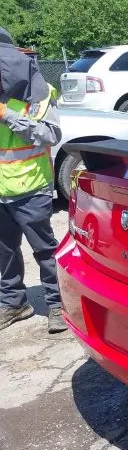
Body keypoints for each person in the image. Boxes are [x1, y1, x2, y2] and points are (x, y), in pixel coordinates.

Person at [0, 26, 66, 333]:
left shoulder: (38, 94)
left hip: (31, 186)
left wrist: (7, 115)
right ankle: (14, 303)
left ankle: (57, 303)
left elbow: (50, 135)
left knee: (45, 249)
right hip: (1, 190)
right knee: (4, 252)